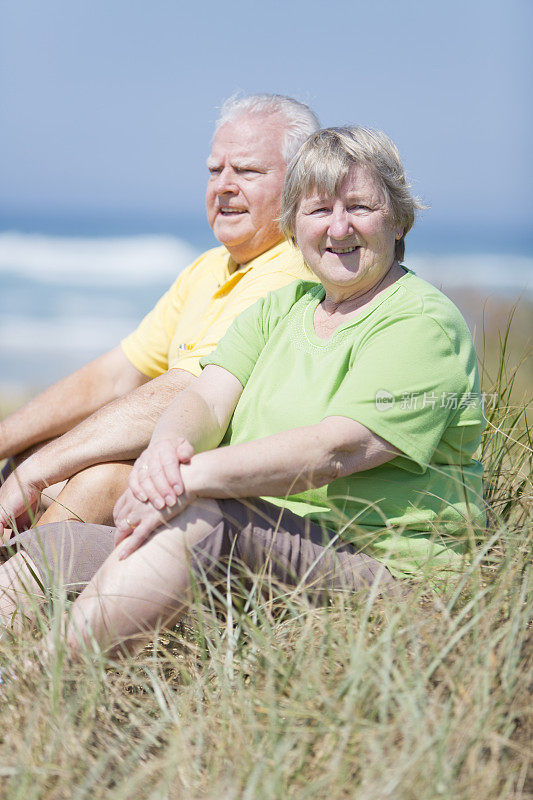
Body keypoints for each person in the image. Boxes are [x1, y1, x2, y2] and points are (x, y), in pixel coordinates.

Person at [0, 126, 485, 657]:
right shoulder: (282, 308)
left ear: (396, 218)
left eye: (360, 207)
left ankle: (38, 687)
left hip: (386, 572)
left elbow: (335, 449)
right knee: (59, 548)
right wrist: (163, 455)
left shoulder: (420, 321)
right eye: (319, 210)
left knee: (205, 514)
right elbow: (203, 399)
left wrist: (187, 481)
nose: (339, 227)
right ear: (294, 227)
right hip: (270, 541)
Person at [0, 94, 319, 533]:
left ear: (301, 184)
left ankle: (23, 599)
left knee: (97, 480)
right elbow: (115, 375)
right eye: (214, 170)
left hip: (256, 506)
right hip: (183, 478)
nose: (223, 185)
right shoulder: (208, 267)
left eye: (246, 171)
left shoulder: (294, 268)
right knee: (27, 453)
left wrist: (38, 470)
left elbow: (185, 391)